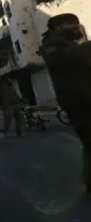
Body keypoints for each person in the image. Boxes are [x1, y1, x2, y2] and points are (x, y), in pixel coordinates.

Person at [40, 13, 91, 193]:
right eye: (72, 25)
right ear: (58, 28)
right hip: (78, 100)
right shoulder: (52, 46)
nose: (77, 27)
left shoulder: (69, 45)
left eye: (77, 24)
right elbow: (65, 58)